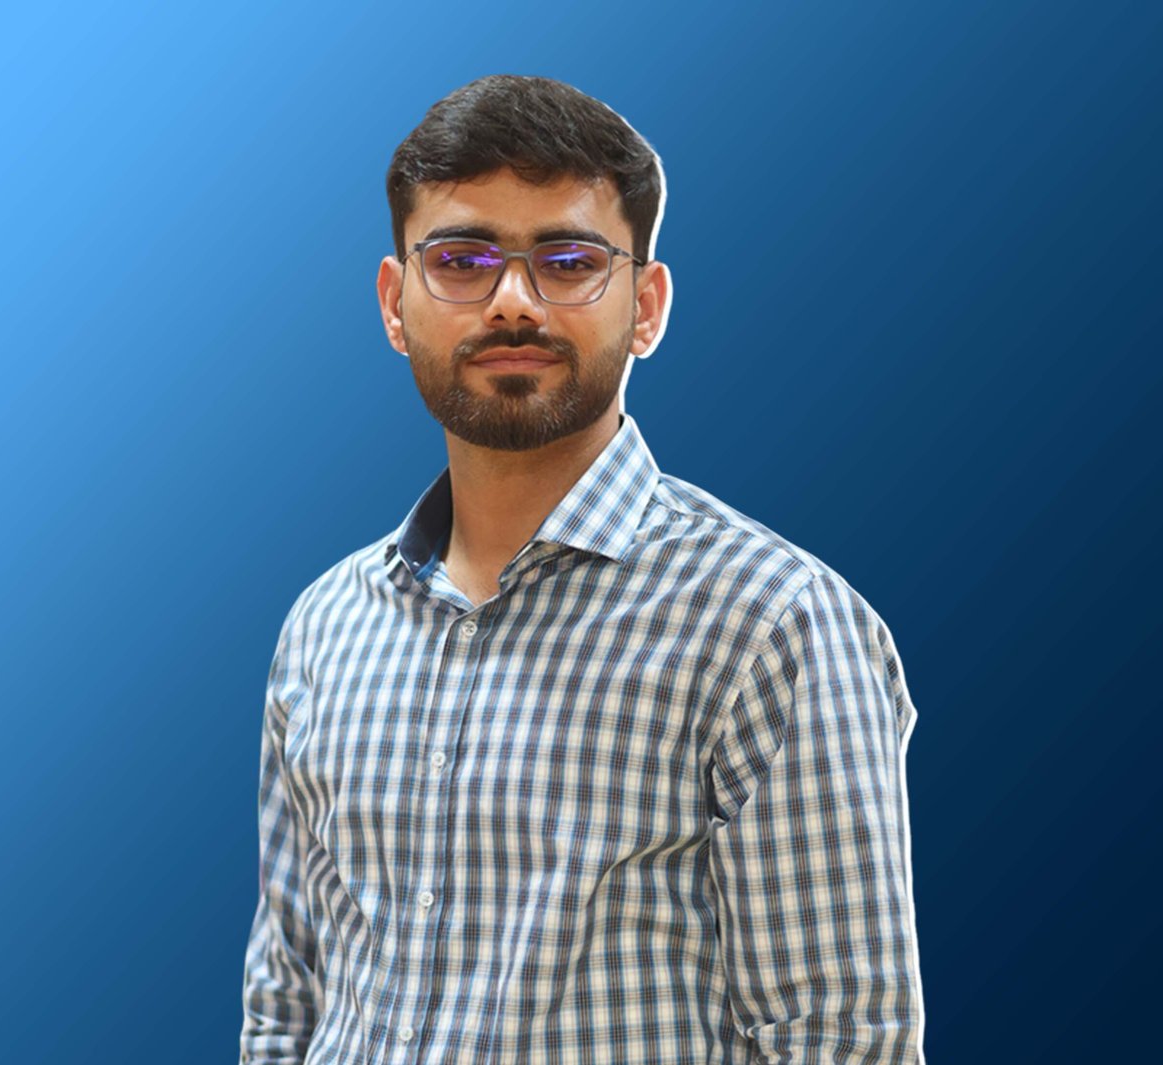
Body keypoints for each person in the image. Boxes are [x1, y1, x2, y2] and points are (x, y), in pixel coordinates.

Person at [240, 74, 925, 1064]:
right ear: (395, 303)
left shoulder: (772, 625)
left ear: (645, 305)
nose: (512, 300)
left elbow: (840, 1043)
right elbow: (286, 1004)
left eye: (567, 260)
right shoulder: (323, 628)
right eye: (462, 258)